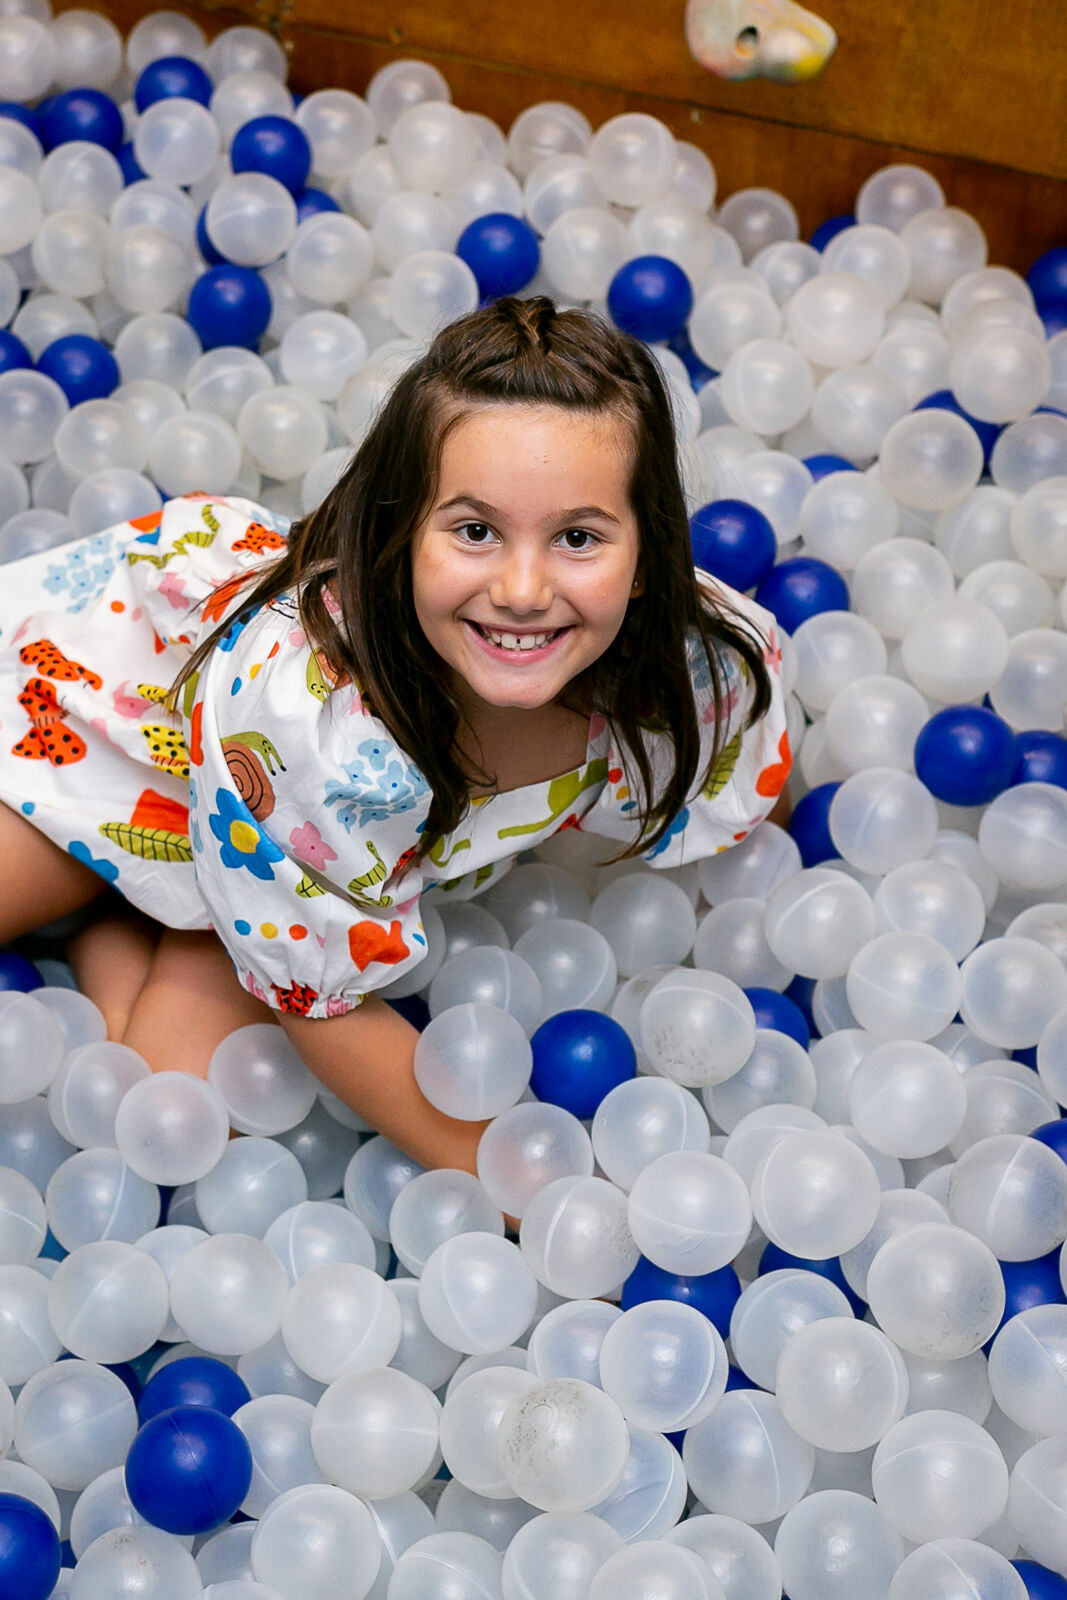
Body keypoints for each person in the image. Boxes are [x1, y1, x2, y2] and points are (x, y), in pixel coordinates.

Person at [0, 295, 791, 1172]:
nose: (523, 589)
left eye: (577, 537)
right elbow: (320, 1011)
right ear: (400, 534)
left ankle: (187, 905)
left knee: (167, 1116)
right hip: (105, 717)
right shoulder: (322, 726)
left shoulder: (698, 666)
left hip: (261, 831)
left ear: (648, 559)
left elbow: (750, 767)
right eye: (474, 531)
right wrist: (518, 1190)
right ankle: (138, 896)